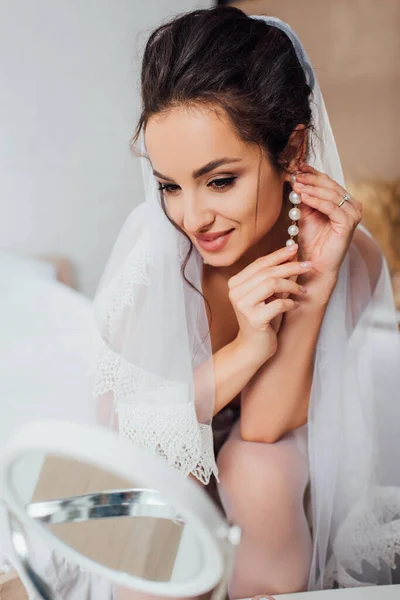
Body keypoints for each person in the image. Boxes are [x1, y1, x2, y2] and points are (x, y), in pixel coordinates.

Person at [93, 6, 400, 598]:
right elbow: (137, 439)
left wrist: (311, 290)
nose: (192, 216)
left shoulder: (348, 253)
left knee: (260, 467)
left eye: (220, 180)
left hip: (271, 492)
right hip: (148, 459)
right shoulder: (154, 247)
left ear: (291, 150)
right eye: (169, 185)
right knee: (166, 472)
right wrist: (249, 346)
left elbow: (262, 431)